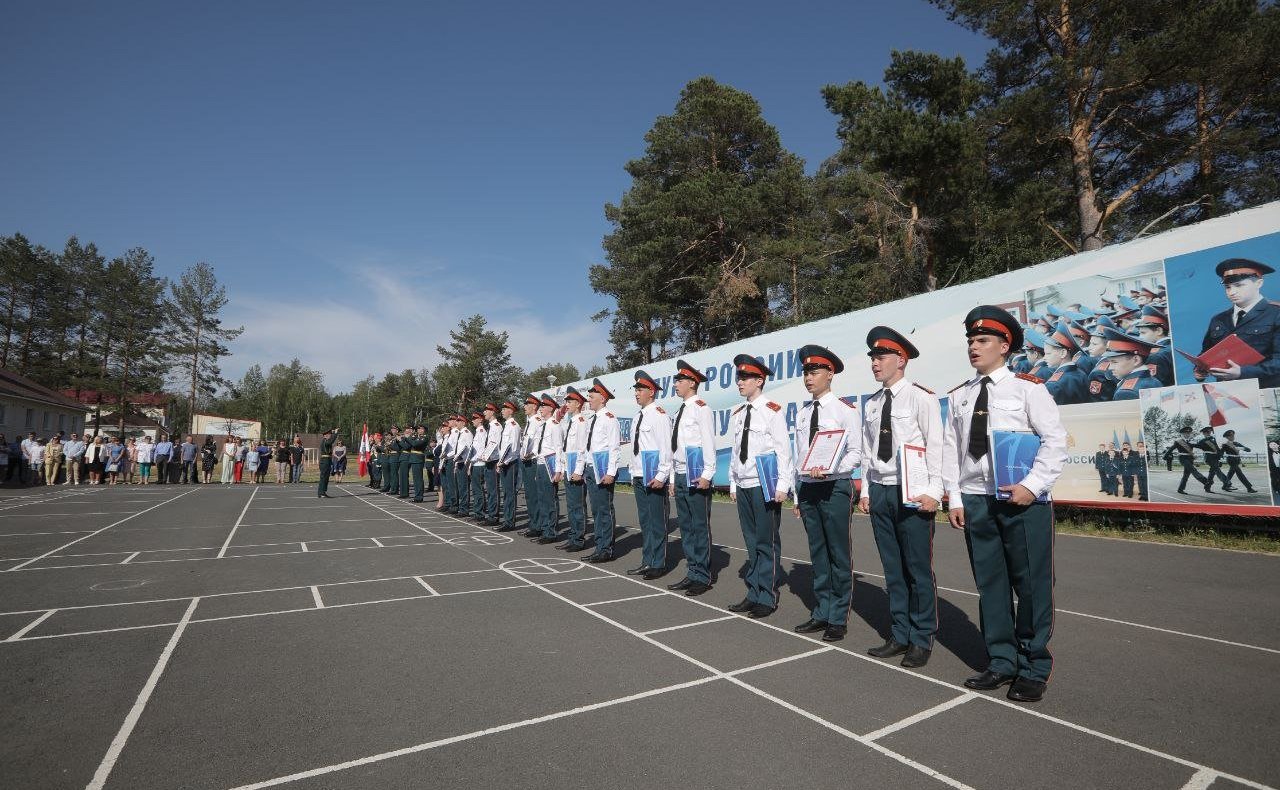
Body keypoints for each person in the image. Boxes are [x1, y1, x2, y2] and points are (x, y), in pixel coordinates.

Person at [942, 305, 1067, 703]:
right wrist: (956, 497)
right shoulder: (960, 396)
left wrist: (1032, 485)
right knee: (991, 585)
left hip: (1022, 502)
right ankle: (1001, 660)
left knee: (1031, 586)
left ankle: (1033, 667)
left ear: (1004, 345)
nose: (973, 347)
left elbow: (1055, 442)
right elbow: (952, 451)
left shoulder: (1028, 389)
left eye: (982, 340)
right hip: (977, 500)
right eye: (970, 341)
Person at [856, 330, 942, 663]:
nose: (875, 363)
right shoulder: (873, 403)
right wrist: (866, 489)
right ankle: (900, 633)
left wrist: (934, 491)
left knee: (917, 568)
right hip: (880, 489)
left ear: (901, 360)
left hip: (912, 492)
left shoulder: (921, 398)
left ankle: (921, 637)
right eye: (873, 358)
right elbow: (868, 452)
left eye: (881, 357)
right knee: (892, 569)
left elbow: (935, 447)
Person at [788, 342, 864, 643]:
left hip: (834, 488)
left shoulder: (845, 410)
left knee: (838, 553)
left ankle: (837, 617)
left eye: (814, 372)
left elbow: (856, 452)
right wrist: (797, 494)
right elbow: (798, 455)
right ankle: (822, 610)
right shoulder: (803, 413)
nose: (808, 378)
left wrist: (832, 469)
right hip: (808, 488)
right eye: (806, 373)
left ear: (830, 374)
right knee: (818, 554)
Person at [728, 354, 795, 620]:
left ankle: (766, 595)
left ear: (759, 380)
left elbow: (783, 451)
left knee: (766, 541)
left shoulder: (772, 411)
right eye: (739, 377)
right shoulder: (738, 413)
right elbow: (735, 452)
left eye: (745, 377)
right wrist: (733, 483)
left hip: (763, 485)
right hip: (744, 483)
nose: (740, 382)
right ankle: (754, 591)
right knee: (751, 541)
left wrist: (783, 485)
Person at [664, 362, 716, 595]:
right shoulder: (679, 411)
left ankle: (702, 576)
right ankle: (692, 571)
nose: (676, 384)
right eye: (676, 380)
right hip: (681, 473)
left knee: (699, 526)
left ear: (693, 383)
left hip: (696, 475)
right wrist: (672, 478)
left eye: (680, 380)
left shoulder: (701, 408)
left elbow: (708, 443)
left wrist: (707, 474)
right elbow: (675, 449)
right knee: (686, 527)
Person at [1194, 258, 1279, 387]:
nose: (1232, 292)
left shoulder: (1275, 313)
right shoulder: (1218, 320)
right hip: (1227, 392)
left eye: (1239, 285)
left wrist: (1242, 372)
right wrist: (1200, 368)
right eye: (1227, 287)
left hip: (1265, 390)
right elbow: (1206, 353)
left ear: (1259, 283)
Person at [628, 371, 673, 578]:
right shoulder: (637, 416)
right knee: (645, 521)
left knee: (657, 521)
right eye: (636, 390)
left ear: (651, 392)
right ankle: (647, 561)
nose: (636, 393)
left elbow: (666, 448)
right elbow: (635, 449)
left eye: (640, 390)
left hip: (654, 476)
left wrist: (662, 475)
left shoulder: (659, 415)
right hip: (639, 474)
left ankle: (658, 563)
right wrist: (633, 472)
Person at [582, 380, 621, 563]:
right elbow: (588, 448)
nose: (588, 400)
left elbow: (614, 448)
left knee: (604, 509)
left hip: (603, 471)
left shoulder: (609, 419)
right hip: (591, 469)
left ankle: (606, 549)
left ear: (602, 399)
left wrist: (611, 472)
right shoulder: (592, 419)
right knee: (596, 510)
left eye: (592, 397)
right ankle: (599, 547)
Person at [556, 388, 592, 550]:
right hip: (568, 468)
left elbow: (582, 449)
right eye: (567, 402)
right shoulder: (570, 422)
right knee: (571, 505)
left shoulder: (581, 422)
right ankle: (572, 536)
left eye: (570, 402)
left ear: (578, 404)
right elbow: (566, 448)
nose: (567, 405)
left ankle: (578, 539)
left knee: (577, 505)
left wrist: (578, 470)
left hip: (576, 470)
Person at [526, 395, 563, 544]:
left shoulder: (555, 425)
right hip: (540, 464)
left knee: (549, 499)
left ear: (550, 408)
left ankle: (550, 532)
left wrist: (558, 470)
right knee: (541, 498)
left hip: (550, 465)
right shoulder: (542, 425)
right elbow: (537, 448)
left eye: (543, 406)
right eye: (540, 406)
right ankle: (544, 528)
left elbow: (559, 449)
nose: (540, 409)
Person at [1099, 327, 1161, 400]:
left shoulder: (1126, 393)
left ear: (1136, 360)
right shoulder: (1155, 381)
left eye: (1114, 362)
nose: (1110, 368)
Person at [1042, 320, 1088, 405]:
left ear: (1063, 353)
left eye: (1048, 353)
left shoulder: (1053, 384)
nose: (1044, 358)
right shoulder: (1081, 373)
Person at [496, 403, 522, 531]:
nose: (502, 411)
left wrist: (503, 461)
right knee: (506, 493)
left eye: (505, 409)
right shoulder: (507, 426)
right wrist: (500, 462)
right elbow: (503, 447)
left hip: (510, 463)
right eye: (502, 409)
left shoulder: (514, 426)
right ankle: (507, 520)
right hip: (504, 463)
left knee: (510, 493)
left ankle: (509, 522)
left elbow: (514, 448)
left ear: (511, 411)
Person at [1171, 426, 1210, 494]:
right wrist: (1165, 456)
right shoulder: (1178, 441)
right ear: (1182, 434)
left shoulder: (1191, 441)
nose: (1188, 434)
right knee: (1193, 470)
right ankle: (1205, 481)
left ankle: (1180, 489)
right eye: (1186, 433)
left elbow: (1200, 446)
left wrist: (1205, 442)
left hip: (1190, 458)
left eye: (1189, 433)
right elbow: (1171, 449)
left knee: (1186, 475)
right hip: (1183, 458)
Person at [481, 404, 503, 524]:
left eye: (487, 410)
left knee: (493, 489)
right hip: (488, 460)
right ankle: (491, 513)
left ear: (492, 412)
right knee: (489, 489)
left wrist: (486, 455)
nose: (484, 412)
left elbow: (495, 444)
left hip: (493, 460)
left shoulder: (496, 426)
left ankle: (494, 516)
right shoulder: (491, 426)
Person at [468, 413, 488, 513]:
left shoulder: (481, 432)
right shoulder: (477, 432)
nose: (472, 420)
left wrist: (473, 459)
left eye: (475, 418)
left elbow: (482, 449)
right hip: (475, 463)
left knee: (478, 489)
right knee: (476, 489)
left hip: (479, 463)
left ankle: (479, 512)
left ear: (480, 420)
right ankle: (478, 511)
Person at [408, 426, 428, 502]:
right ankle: (417, 496)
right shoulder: (416, 437)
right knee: (415, 479)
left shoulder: (424, 438)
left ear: (424, 430)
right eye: (418, 429)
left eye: (421, 429)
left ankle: (419, 497)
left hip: (418, 459)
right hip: (414, 459)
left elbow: (415, 444)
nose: (419, 430)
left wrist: (408, 437)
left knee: (418, 479)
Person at [317, 427, 337, 498]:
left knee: (326, 477)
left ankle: (323, 492)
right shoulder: (325, 441)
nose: (330, 436)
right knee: (323, 477)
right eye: (329, 434)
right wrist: (335, 433)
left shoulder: (326, 441)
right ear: (325, 435)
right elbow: (331, 441)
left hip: (327, 460)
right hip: (325, 461)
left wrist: (333, 433)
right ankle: (321, 492)